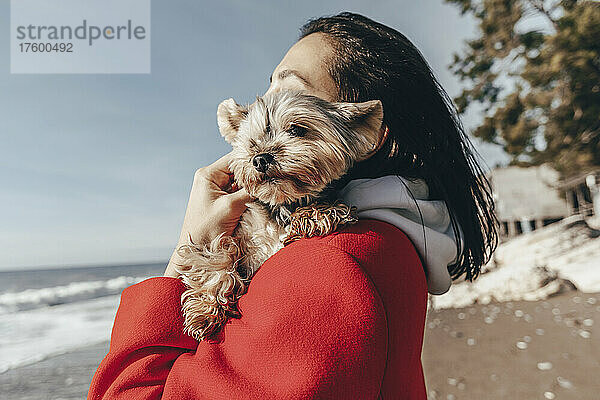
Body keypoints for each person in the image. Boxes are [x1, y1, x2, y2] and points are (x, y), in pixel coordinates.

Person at [88, 12, 497, 400]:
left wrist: (186, 251)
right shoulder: (393, 241)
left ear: (363, 132)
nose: (262, 112)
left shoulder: (331, 266)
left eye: (293, 115)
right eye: (265, 93)